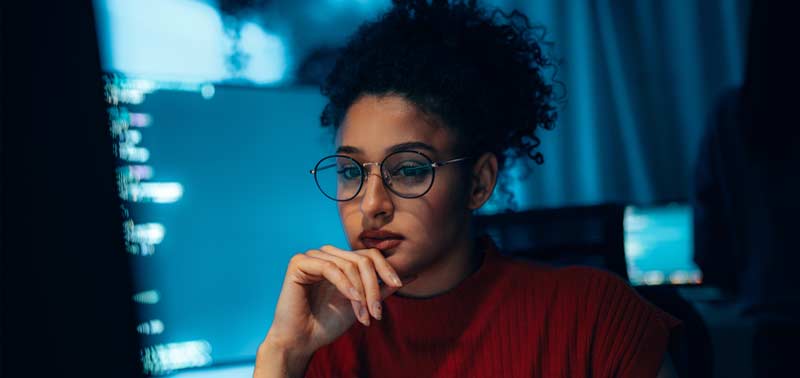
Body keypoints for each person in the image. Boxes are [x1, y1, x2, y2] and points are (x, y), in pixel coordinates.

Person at [254, 1, 680, 377]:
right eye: (351, 171)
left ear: (478, 183)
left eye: (408, 170)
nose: (371, 205)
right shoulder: (333, 339)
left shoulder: (593, 317)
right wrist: (283, 352)